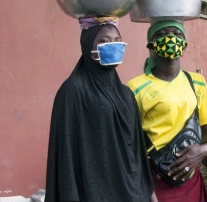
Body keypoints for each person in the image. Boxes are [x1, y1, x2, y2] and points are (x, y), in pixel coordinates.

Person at [45, 19, 157, 202]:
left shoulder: (126, 94)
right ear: (87, 44)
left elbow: (137, 152)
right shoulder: (73, 91)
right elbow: (65, 156)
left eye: (116, 40)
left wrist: (151, 195)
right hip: (91, 194)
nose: (112, 46)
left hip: (132, 193)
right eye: (103, 41)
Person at [127, 20, 207, 202]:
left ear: (184, 46)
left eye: (177, 34)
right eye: (162, 35)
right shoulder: (135, 87)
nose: (170, 39)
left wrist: (203, 149)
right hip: (157, 183)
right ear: (152, 46)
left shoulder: (197, 82)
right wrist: (148, 192)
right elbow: (130, 146)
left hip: (192, 181)